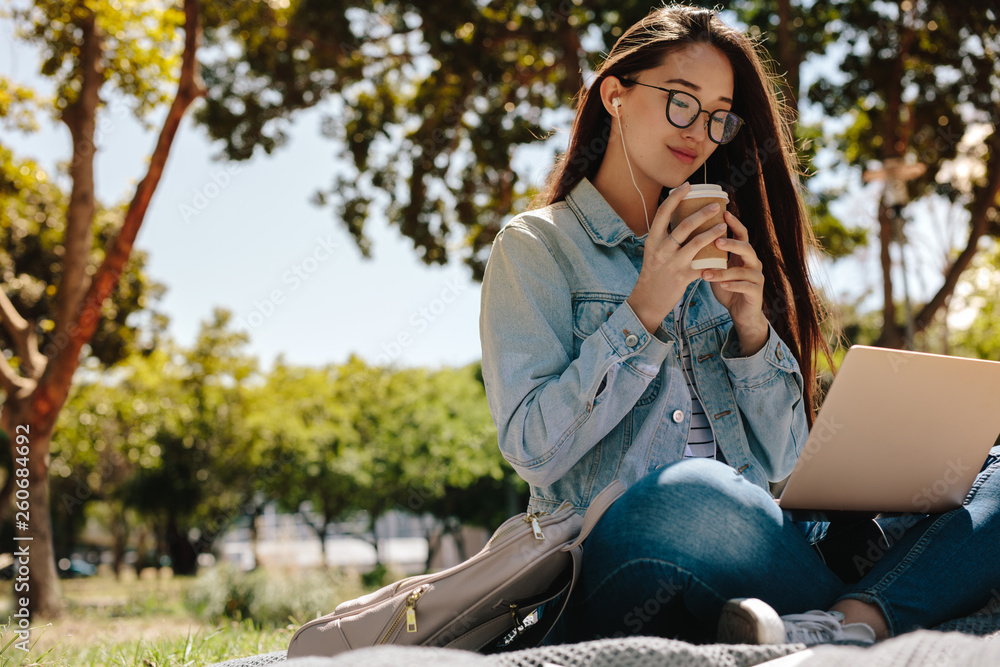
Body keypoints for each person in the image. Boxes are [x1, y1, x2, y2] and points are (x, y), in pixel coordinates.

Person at [479, 4, 1000, 647]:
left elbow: (782, 461)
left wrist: (751, 326)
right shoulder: (536, 248)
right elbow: (532, 447)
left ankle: (852, 622)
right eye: (681, 101)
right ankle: (887, 604)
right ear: (614, 94)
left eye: (718, 116)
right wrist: (644, 309)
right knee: (690, 490)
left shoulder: (720, 246)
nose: (699, 129)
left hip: (764, 554)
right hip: (625, 551)